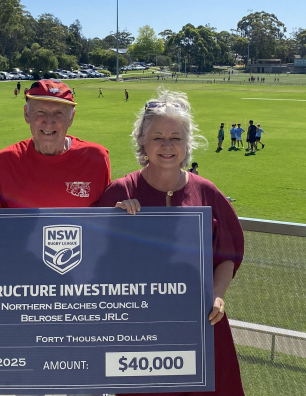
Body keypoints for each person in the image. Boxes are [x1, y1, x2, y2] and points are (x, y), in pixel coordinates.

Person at [97, 89, 245, 396]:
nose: (167, 145)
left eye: (176, 137)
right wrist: (114, 222)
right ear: (142, 141)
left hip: (201, 325)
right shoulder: (120, 193)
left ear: (187, 143)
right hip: (141, 334)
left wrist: (217, 295)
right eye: (158, 137)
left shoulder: (207, 192)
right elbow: (94, 261)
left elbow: (227, 255)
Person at [0, 79, 110, 208]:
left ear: (71, 117)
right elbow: (1, 219)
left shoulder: (96, 158)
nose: (49, 121)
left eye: (59, 113)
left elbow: (106, 215)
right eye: (41, 112)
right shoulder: (5, 161)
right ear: (27, 114)